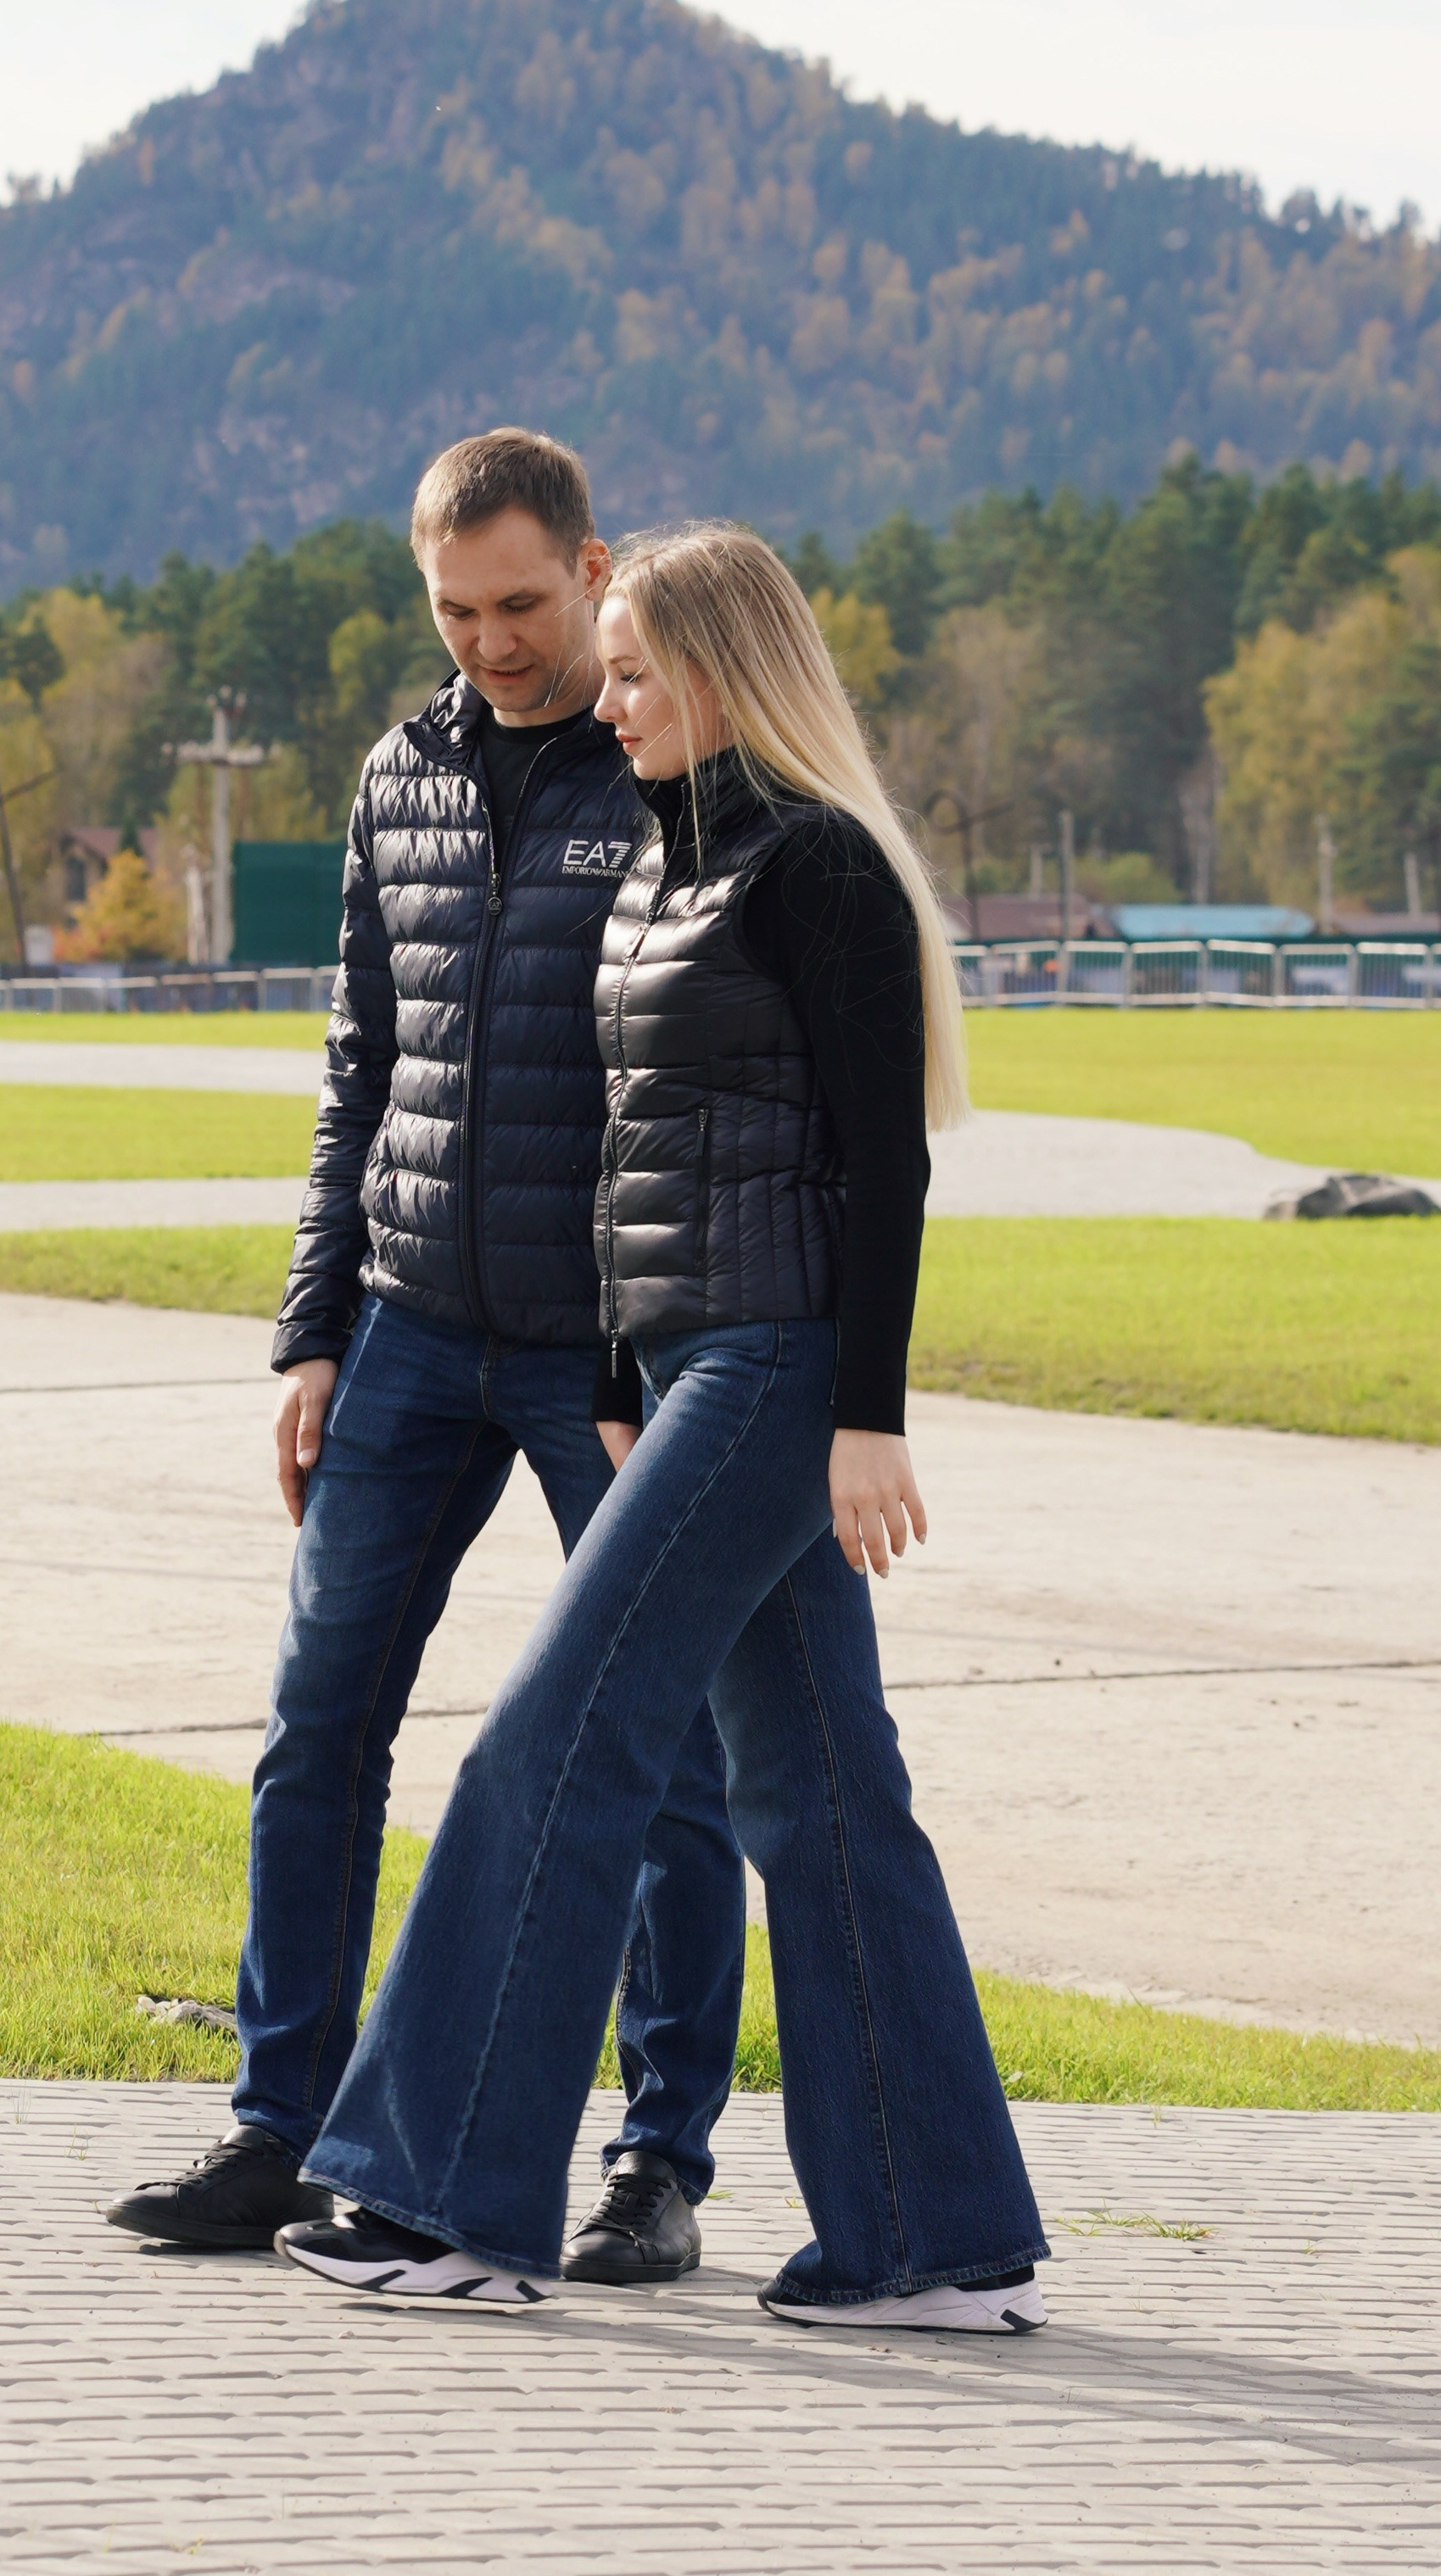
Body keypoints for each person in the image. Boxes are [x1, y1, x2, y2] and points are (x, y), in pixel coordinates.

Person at [276, 519, 1051, 2328]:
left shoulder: (818, 866)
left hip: (780, 1368)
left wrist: (867, 1418)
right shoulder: (654, 858)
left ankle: (444, 2201)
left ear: (724, 670)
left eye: (632, 672)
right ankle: (926, 2241)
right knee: (822, 1790)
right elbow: (632, 1149)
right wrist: (620, 1385)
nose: (604, 702)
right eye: (609, 671)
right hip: (689, 1372)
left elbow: (882, 1169)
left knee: (555, 1740)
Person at [106, 434, 748, 2285]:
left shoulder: (668, 771)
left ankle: (656, 2163)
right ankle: (280, 2129)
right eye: (455, 612)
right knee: (315, 1731)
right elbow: (359, 1070)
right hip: (404, 1328)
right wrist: (312, 1331)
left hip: (602, 1355)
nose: (493, 643)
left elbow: (705, 1089)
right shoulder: (399, 776)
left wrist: (665, 1351)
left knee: (658, 1757)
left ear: (595, 569)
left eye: (523, 604)